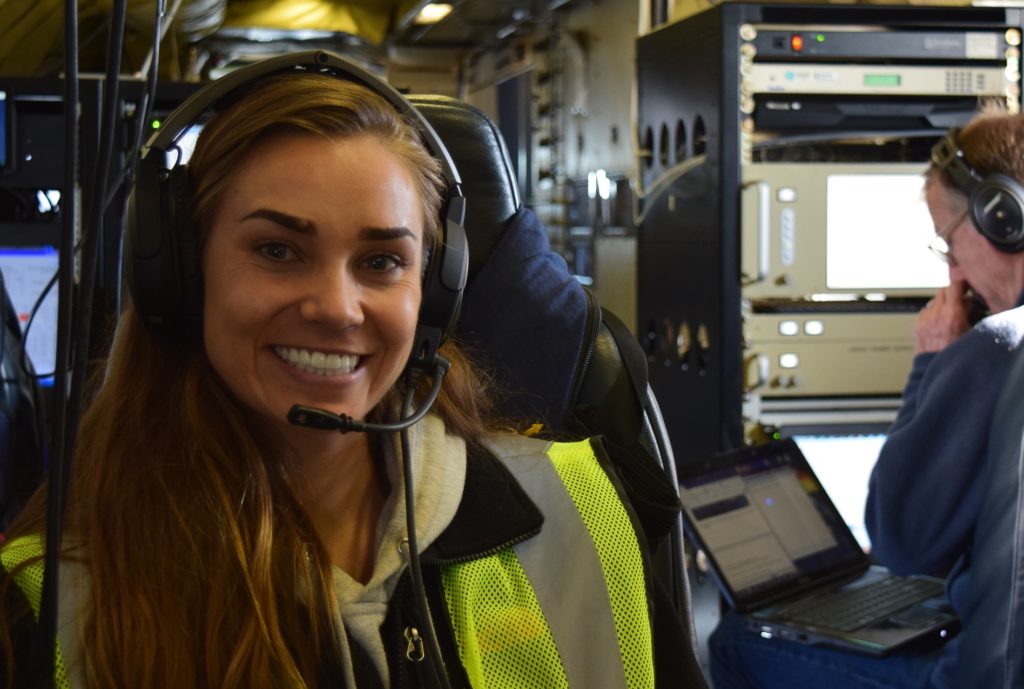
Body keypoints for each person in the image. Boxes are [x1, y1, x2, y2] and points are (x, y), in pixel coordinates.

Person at [0, 55, 695, 688]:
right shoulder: (54, 602)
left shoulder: (584, 509)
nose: (337, 308)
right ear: (181, 275)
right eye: (277, 249)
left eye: (381, 261)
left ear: (434, 291)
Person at [708, 107, 1024, 688]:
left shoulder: (1000, 348)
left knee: (735, 641)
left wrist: (932, 363)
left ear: (1000, 218)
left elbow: (902, 544)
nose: (953, 275)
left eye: (949, 246)